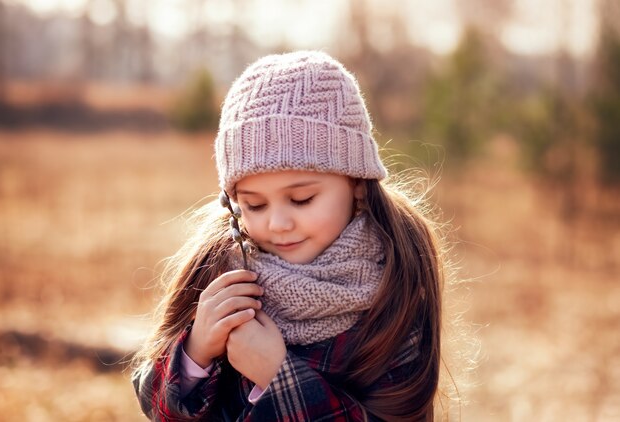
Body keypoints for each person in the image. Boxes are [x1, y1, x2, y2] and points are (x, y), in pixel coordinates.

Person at [131, 50, 448, 421]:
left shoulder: (395, 287)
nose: (278, 223)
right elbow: (158, 408)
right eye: (255, 205)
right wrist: (195, 353)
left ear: (358, 185)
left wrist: (277, 376)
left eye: (301, 199)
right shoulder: (220, 273)